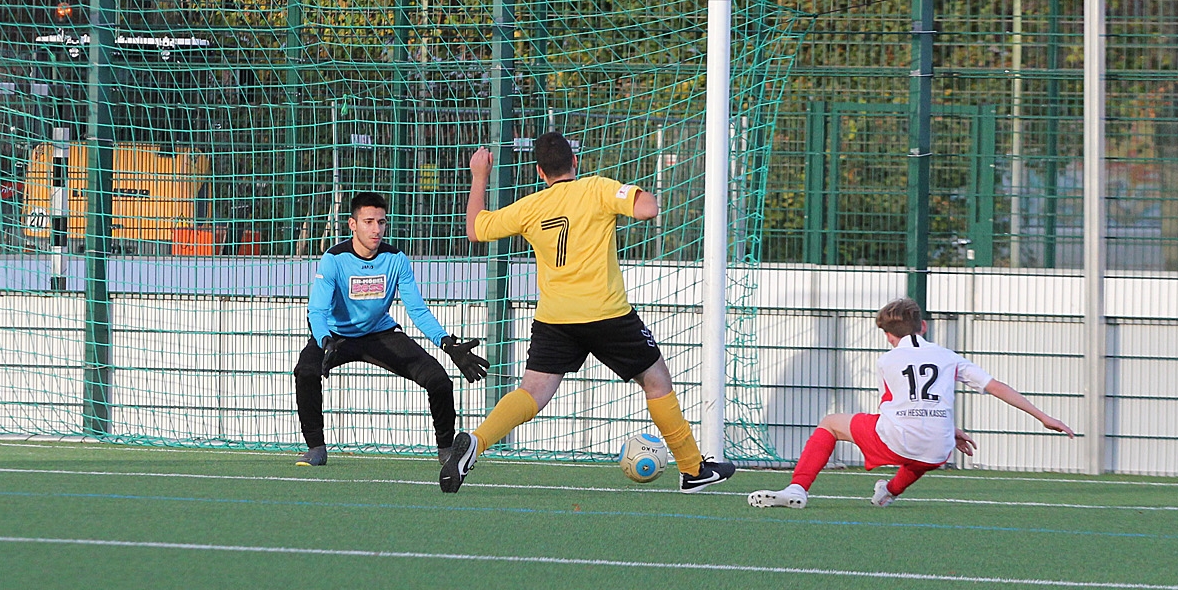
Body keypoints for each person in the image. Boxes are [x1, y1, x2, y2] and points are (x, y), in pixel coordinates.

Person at [438, 131, 736, 494]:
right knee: (657, 381)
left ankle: (477, 441)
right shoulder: (597, 189)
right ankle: (692, 469)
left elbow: (475, 229)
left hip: (556, 319)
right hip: (607, 314)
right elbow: (648, 209)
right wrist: (632, 194)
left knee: (532, 392)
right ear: (575, 162)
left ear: (539, 172)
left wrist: (479, 176)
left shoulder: (530, 206)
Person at [748, 297, 1074, 509]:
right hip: (940, 448)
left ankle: (797, 488)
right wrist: (1044, 417)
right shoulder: (948, 356)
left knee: (831, 423)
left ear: (889, 336)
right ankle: (887, 493)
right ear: (924, 327)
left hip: (900, 438)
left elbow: (894, 406)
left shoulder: (887, 360)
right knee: (922, 454)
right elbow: (996, 386)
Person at [294, 192, 489, 466]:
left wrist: (446, 342)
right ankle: (316, 448)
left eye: (381, 222)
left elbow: (417, 310)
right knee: (305, 371)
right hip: (336, 338)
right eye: (368, 222)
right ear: (352, 224)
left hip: (380, 334)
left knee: (439, 380)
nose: (376, 229)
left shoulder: (396, 259)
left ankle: (446, 450)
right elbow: (317, 311)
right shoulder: (334, 259)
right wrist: (324, 340)